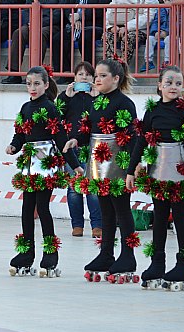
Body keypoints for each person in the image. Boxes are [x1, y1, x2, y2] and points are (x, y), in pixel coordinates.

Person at [126, 66, 184, 290]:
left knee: (179, 215)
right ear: (159, 85)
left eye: (178, 83)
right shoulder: (153, 110)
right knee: (160, 215)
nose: (173, 87)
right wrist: (130, 169)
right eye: (169, 82)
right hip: (158, 169)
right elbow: (141, 142)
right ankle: (157, 263)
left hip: (180, 169)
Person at [63, 58, 140, 283]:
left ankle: (128, 255)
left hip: (118, 162)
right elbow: (89, 129)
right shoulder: (96, 102)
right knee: (106, 210)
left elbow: (131, 137)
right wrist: (76, 140)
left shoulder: (124, 103)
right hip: (98, 164)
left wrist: (130, 169)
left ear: (116, 79)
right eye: (96, 75)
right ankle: (106, 253)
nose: (97, 79)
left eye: (103, 76)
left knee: (122, 211)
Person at [6, 66, 83, 277]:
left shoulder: (50, 107)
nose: (32, 88)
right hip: (29, 161)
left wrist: (74, 165)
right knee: (26, 208)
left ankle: (50, 253)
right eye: (29, 84)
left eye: (37, 83)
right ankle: (26, 252)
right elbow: (20, 134)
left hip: (46, 159)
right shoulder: (24, 108)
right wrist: (14, 146)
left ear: (46, 85)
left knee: (42, 207)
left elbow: (60, 137)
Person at [56, 61, 102, 238]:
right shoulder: (66, 96)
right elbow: (56, 117)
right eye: (80, 74)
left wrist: (96, 97)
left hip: (92, 146)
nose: (84, 77)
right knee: (74, 189)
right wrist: (66, 97)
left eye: (88, 75)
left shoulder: (97, 97)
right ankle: (77, 225)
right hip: (71, 148)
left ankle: (97, 225)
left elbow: (100, 119)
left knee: (93, 188)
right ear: (74, 78)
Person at [0, 0, 70, 84]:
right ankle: (14, 73)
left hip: (51, 25)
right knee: (18, 33)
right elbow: (26, 11)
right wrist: (31, 22)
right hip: (32, 23)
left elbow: (57, 15)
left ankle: (36, 73)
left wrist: (38, 23)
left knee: (40, 33)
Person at [50, 0, 110, 83]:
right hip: (75, 25)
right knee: (57, 39)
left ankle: (88, 73)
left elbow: (100, 10)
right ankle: (65, 73)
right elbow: (68, 7)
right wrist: (73, 18)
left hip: (94, 25)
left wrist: (81, 16)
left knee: (85, 39)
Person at [103, 0, 157, 65]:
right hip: (117, 27)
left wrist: (126, 27)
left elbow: (148, 17)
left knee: (127, 38)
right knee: (106, 35)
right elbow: (110, 11)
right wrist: (111, 27)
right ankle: (111, 65)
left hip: (139, 30)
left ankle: (123, 66)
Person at [140, 0, 171, 72]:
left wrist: (166, 32)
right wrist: (155, 32)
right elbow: (155, 22)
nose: (169, 2)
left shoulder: (177, 9)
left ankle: (167, 62)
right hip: (160, 33)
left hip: (171, 34)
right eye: (167, 0)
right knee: (150, 38)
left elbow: (178, 23)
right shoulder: (161, 9)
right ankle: (148, 62)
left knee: (168, 39)